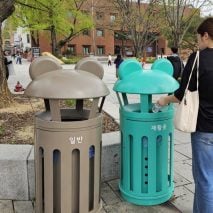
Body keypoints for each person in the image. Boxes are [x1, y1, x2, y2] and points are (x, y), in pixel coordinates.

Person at [157, 17, 213, 213]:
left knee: (205, 179)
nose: (197, 41)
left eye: (198, 37)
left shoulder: (198, 58)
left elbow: (182, 94)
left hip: (204, 129)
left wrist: (164, 100)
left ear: (206, 35)